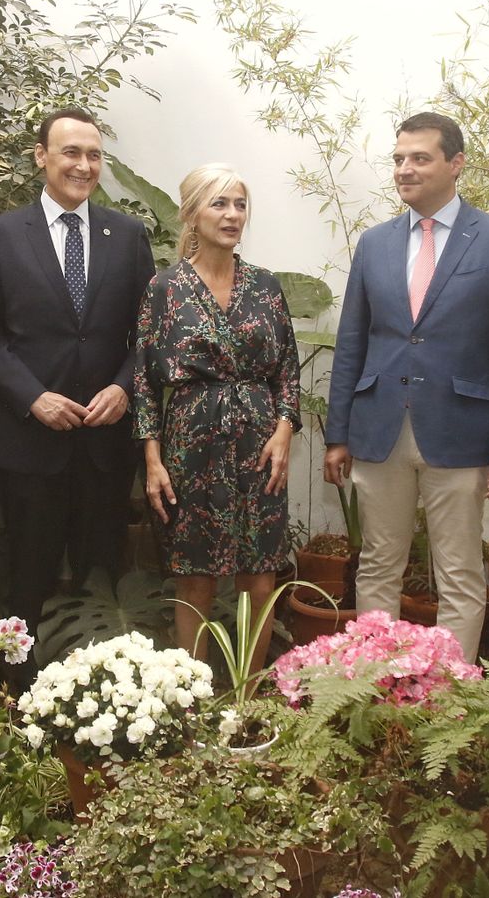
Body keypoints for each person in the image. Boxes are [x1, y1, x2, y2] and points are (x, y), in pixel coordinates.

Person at [322, 111, 489, 661]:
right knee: (377, 563)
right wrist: (337, 433)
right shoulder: (374, 243)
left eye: (419, 158)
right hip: (379, 430)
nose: (404, 169)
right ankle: (371, 684)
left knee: (459, 570)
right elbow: (352, 343)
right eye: (398, 159)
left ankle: (450, 698)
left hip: (460, 431)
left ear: (455, 164)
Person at [0, 107, 156, 687]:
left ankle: (102, 704)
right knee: (26, 576)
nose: (84, 165)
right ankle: (19, 701)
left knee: (102, 578)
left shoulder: (127, 236)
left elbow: (147, 333)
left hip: (104, 444)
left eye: (94, 155)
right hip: (31, 443)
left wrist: (124, 387)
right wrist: (33, 397)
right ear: (42, 157)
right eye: (71, 152)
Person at [134, 164, 300, 667]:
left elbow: (287, 367)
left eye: (240, 204)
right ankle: (195, 693)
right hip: (191, 444)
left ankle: (250, 691)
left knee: (260, 570)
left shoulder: (265, 286)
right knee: (194, 572)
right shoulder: (164, 288)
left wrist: (285, 429)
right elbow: (143, 380)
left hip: (259, 442)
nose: (232, 215)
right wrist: (153, 458)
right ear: (191, 213)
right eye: (219, 203)